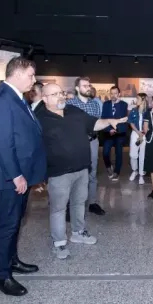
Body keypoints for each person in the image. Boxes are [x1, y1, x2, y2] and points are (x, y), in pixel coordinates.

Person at [0, 56, 47, 297]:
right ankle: (2, 277)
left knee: (16, 220)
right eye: (31, 75)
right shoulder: (1, 100)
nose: (34, 80)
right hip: (6, 177)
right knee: (7, 225)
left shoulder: (16, 98)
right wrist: (16, 175)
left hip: (19, 174)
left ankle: (12, 260)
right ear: (17, 74)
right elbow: (1, 142)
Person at [36, 83, 127, 258]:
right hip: (58, 173)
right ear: (45, 98)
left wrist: (109, 121)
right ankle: (59, 243)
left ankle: (78, 233)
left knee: (79, 203)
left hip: (81, 169)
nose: (60, 96)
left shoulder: (73, 111)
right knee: (58, 209)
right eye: (54, 94)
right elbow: (34, 148)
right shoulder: (40, 119)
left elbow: (93, 124)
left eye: (61, 92)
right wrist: (38, 175)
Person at [66, 77, 107, 216]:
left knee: (92, 172)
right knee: (74, 173)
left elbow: (96, 123)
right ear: (77, 88)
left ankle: (92, 203)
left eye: (89, 85)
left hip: (92, 142)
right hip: (76, 143)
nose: (88, 88)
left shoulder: (95, 104)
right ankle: (70, 205)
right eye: (84, 86)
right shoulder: (70, 104)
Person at [100, 86, 129, 181]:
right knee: (105, 153)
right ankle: (108, 167)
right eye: (111, 93)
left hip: (119, 132)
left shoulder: (124, 105)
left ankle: (117, 172)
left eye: (115, 93)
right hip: (108, 133)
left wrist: (116, 104)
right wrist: (109, 129)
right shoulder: (106, 104)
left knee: (119, 153)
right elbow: (103, 118)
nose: (113, 95)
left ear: (119, 94)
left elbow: (122, 119)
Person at [128, 93, 150, 185]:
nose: (136, 100)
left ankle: (141, 174)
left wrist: (143, 133)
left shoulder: (148, 112)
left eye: (138, 99)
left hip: (145, 134)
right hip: (135, 133)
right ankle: (135, 170)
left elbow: (150, 125)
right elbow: (131, 123)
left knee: (142, 154)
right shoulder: (133, 110)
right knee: (133, 154)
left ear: (143, 100)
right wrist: (138, 132)